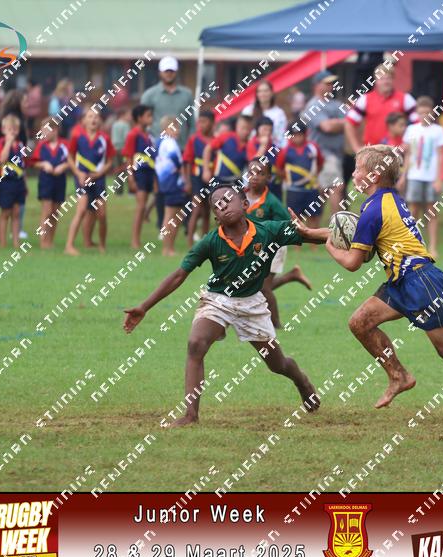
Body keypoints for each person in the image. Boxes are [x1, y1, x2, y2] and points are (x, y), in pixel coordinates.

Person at [324, 144, 443, 424]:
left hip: (421, 282)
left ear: (373, 176)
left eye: (358, 169)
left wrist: (329, 246)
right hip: (402, 281)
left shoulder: (374, 210)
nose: (353, 174)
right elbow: (355, 237)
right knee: (360, 322)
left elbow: (353, 262)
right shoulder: (387, 200)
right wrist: (306, 233)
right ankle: (399, 376)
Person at [122, 183, 329, 427]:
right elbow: (178, 275)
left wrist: (354, 237)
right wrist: (144, 307)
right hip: (218, 300)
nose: (223, 206)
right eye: (217, 205)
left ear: (245, 204)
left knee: (278, 365)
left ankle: (301, 382)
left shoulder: (269, 230)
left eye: (228, 200)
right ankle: (190, 415)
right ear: (215, 216)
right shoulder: (210, 242)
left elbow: (314, 235)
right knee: (195, 344)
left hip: (252, 304)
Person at [245, 157, 312, 327]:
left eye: (261, 173)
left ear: (269, 177)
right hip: (254, 249)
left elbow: (287, 225)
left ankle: (276, 326)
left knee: (263, 287)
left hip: (274, 247)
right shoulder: (240, 198)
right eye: (252, 172)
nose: (255, 177)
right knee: (255, 285)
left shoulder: (272, 202)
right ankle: (292, 275)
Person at [396, 96, 443, 258]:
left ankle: (433, 246)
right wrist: (404, 176)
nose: (424, 115)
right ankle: (412, 244)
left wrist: (439, 178)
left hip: (431, 176)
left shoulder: (438, 131)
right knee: (413, 210)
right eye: (421, 112)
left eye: (427, 112)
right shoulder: (411, 130)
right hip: (414, 175)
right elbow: (408, 154)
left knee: (431, 211)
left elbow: (440, 156)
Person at [65, 107, 115, 255]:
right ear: (83, 121)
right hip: (82, 179)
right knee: (81, 210)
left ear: (100, 120)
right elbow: (70, 157)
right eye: (90, 116)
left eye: (96, 116)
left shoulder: (104, 138)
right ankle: (69, 246)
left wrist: (99, 173)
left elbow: (110, 161)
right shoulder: (77, 136)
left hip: (98, 179)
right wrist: (78, 173)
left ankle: (102, 245)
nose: (93, 119)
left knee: (102, 214)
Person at [344, 65, 418, 152]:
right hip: (372, 152)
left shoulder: (405, 98)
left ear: (393, 79)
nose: (385, 82)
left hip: (396, 152)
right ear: (376, 80)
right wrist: (356, 148)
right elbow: (349, 123)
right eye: (381, 78)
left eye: (388, 78)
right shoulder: (365, 99)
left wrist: (407, 144)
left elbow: (419, 124)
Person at [302, 70, 346, 213]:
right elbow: (327, 127)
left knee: (322, 193)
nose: (331, 86)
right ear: (316, 85)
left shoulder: (336, 104)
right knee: (336, 187)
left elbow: (353, 122)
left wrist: (337, 123)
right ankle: (338, 224)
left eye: (332, 83)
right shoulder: (313, 105)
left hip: (338, 154)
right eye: (327, 83)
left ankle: (315, 223)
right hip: (323, 154)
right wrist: (342, 123)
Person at [276, 120, 324, 228]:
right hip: (293, 191)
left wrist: (311, 177)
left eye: (300, 135)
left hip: (312, 190)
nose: (297, 138)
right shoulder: (285, 150)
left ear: (305, 134)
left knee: (313, 217)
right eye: (294, 135)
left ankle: (313, 237)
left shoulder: (313, 147)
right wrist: (289, 179)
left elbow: (320, 163)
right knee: (295, 218)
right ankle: (297, 237)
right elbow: (279, 168)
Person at [30, 118, 68, 249]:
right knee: (47, 210)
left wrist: (63, 166)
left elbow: (72, 161)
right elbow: (34, 163)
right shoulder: (41, 146)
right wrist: (44, 164)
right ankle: (43, 241)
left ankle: (50, 241)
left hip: (60, 181)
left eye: (45, 130)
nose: (43, 133)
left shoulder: (65, 145)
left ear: (55, 130)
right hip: (46, 181)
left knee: (55, 212)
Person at [141, 56, 195, 148]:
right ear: (160, 72)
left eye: (172, 71)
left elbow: (192, 123)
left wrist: (190, 146)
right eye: (166, 71)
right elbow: (142, 123)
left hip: (181, 147)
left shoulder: (187, 94)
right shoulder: (149, 95)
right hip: (157, 147)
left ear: (176, 72)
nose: (169, 74)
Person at [123, 104, 156, 249]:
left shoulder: (148, 135)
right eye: (148, 115)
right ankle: (134, 240)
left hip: (149, 172)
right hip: (139, 173)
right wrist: (130, 178)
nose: (151, 118)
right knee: (141, 206)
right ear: (139, 118)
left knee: (144, 205)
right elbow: (128, 157)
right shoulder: (133, 134)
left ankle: (138, 238)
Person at [155, 116, 186, 256]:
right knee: (171, 216)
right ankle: (167, 248)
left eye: (178, 127)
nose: (177, 131)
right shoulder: (170, 143)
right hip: (173, 182)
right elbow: (176, 160)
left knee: (175, 215)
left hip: (166, 182)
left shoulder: (161, 142)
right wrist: (183, 175)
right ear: (166, 129)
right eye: (174, 128)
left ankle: (169, 247)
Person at [0, 114, 28, 248]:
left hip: (18, 183)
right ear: (3, 130)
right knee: (6, 212)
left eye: (15, 129)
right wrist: (8, 143)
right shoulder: (1, 143)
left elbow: (23, 166)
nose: (13, 132)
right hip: (6, 183)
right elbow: (1, 159)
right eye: (10, 129)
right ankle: (2, 243)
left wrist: (25, 184)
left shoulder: (20, 145)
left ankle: (16, 242)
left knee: (16, 213)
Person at [184, 111, 215, 244]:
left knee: (207, 210)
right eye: (199, 122)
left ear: (212, 123)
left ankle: (205, 241)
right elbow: (187, 161)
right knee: (196, 209)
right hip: (196, 177)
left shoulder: (216, 140)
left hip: (211, 178)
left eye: (204, 122)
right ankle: (190, 241)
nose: (201, 125)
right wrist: (187, 181)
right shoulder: (194, 139)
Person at [202, 115, 251, 186]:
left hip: (236, 182)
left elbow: (250, 165)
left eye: (248, 129)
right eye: (243, 128)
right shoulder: (227, 136)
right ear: (237, 126)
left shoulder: (250, 144)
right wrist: (206, 170)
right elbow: (207, 149)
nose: (245, 131)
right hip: (218, 179)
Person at [241, 80, 288, 147]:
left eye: (266, 91)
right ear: (257, 94)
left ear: (271, 93)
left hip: (271, 149)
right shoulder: (248, 110)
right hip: (250, 148)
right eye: (260, 91)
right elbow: (242, 131)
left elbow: (281, 136)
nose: (263, 94)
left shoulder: (279, 113)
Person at [247, 116, 282, 199]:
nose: (267, 133)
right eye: (265, 129)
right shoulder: (252, 143)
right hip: (257, 183)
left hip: (273, 183)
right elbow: (254, 165)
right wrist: (263, 146)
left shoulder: (273, 145)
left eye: (270, 130)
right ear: (257, 129)